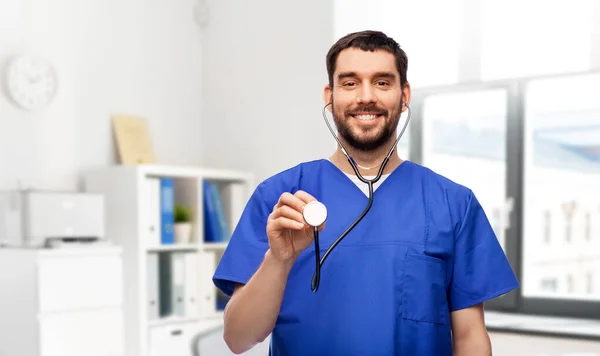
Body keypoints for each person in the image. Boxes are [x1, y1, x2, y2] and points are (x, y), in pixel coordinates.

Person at [212, 30, 519, 355]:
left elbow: (470, 337)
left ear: (405, 95)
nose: (366, 96)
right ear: (330, 96)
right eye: (350, 82)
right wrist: (279, 259)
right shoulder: (281, 199)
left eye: (383, 82)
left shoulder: (454, 203)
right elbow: (238, 338)